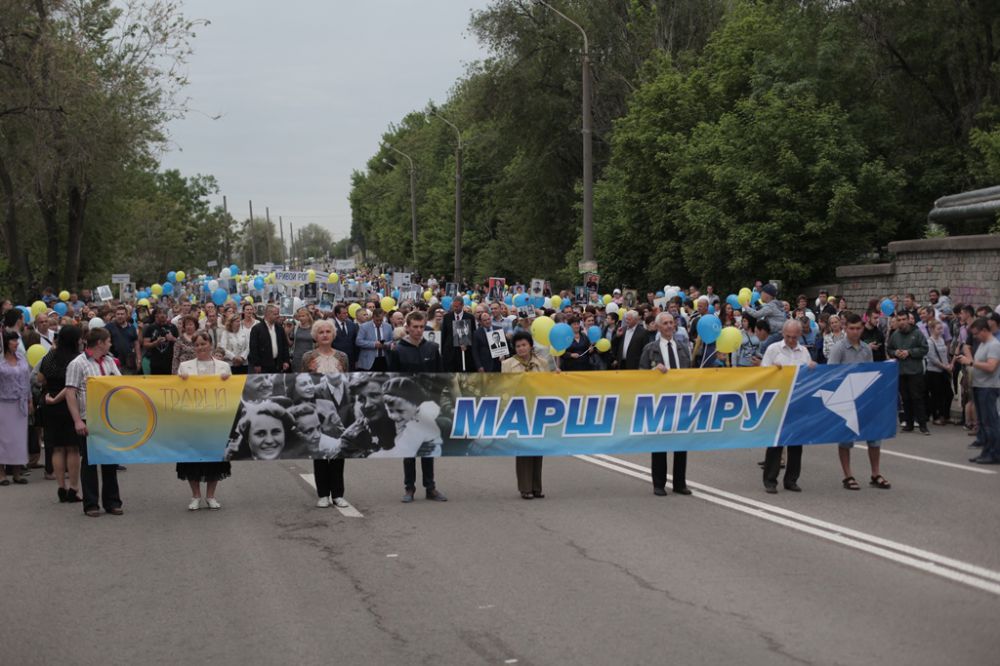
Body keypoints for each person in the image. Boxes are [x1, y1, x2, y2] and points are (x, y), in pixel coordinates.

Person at [387, 311, 447, 502]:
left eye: (422, 327)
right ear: (407, 327)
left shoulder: (432, 348)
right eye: (415, 327)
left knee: (428, 446)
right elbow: (393, 378)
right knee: (410, 449)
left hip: (429, 407)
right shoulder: (397, 349)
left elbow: (440, 377)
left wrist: (437, 400)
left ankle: (430, 487)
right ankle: (409, 488)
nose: (419, 330)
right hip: (408, 408)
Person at [65, 328, 123, 517]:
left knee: (110, 460)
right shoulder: (77, 364)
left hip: (108, 417)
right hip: (87, 417)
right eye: (108, 341)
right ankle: (91, 504)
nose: (110, 344)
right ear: (99, 343)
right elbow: (70, 392)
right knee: (89, 461)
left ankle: (112, 501)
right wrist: (77, 421)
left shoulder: (108, 361)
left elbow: (119, 384)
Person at [828, 313, 890, 490]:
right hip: (845, 398)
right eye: (851, 328)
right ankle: (848, 475)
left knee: (874, 437)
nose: (855, 332)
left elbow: (869, 372)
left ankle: (875, 473)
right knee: (846, 439)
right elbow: (831, 374)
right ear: (845, 328)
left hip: (863, 397)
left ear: (862, 329)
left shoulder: (866, 349)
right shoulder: (838, 348)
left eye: (858, 328)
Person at [176, 331, 232, 510]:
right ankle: (195, 496)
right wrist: (181, 381)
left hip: (215, 420)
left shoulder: (224, 366)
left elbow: (231, 392)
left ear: (211, 345)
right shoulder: (185, 366)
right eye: (197, 345)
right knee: (191, 457)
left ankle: (210, 496)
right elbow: (177, 391)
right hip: (192, 420)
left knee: (214, 458)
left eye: (203, 344)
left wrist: (227, 381)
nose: (200, 347)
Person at [639, 312, 692, 496]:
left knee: (681, 443)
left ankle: (680, 483)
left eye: (672, 323)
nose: (670, 326)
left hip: (680, 401)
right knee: (660, 443)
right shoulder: (650, 349)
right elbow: (641, 374)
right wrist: (653, 371)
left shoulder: (683, 347)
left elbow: (690, 373)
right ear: (658, 327)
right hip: (659, 402)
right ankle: (659, 483)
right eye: (666, 323)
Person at [760, 320, 815, 494]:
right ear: (783, 334)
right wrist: (772, 370)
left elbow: (809, 375)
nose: (791, 340)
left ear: (800, 335)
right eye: (788, 336)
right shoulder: (773, 349)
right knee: (776, 442)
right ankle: (770, 480)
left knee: (796, 444)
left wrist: (812, 367)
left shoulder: (804, 351)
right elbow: (762, 373)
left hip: (797, 402)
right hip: (778, 401)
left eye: (794, 337)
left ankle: (791, 480)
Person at [38, 325, 84, 501]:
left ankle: (60, 487)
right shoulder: (77, 359)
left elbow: (40, 378)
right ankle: (73, 487)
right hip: (70, 405)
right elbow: (72, 384)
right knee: (73, 448)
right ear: (74, 340)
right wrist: (59, 395)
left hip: (51, 404)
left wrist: (52, 391)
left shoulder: (49, 356)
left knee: (57, 448)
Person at [501, 331, 549, 499]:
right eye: (518, 346)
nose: (521, 348)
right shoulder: (507, 364)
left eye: (524, 345)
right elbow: (504, 387)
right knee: (523, 449)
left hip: (538, 408)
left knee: (537, 448)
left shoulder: (542, 363)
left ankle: (537, 487)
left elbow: (548, 384)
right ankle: (525, 488)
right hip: (519, 409)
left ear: (530, 346)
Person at [957, 319, 1000, 464]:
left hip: (989, 388)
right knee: (983, 422)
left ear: (984, 330)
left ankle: (994, 453)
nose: (975, 337)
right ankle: (986, 452)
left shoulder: (994, 345)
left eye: (976, 334)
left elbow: (991, 367)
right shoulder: (983, 343)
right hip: (980, 386)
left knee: (990, 422)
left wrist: (970, 362)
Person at [886, 312, 930, 435]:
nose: (901, 322)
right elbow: (889, 349)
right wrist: (896, 353)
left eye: (904, 319)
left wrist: (909, 352)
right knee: (905, 399)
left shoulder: (917, 333)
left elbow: (924, 349)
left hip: (915, 371)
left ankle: (923, 425)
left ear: (908, 320)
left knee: (917, 398)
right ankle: (909, 424)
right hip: (901, 371)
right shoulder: (895, 335)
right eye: (899, 320)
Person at [0, 329, 31, 485]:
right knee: (3, 439)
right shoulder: (0, 360)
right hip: (3, 403)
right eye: (13, 340)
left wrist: (30, 400)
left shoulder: (21, 358)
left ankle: (17, 472)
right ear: (6, 342)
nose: (16, 343)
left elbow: (27, 380)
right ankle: (2, 474)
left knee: (19, 438)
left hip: (20, 403)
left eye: (17, 340)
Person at [925, 319, 954, 425]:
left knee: (949, 394)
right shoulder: (929, 342)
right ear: (932, 329)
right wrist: (945, 367)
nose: (941, 331)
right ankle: (936, 417)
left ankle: (946, 415)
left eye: (941, 328)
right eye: (939, 328)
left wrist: (949, 364)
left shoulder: (941, 340)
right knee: (935, 395)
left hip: (943, 371)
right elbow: (933, 359)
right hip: (933, 372)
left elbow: (944, 355)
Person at [248, 304, 290, 374]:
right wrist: (257, 364)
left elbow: (284, 346)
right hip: (263, 366)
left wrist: (286, 360)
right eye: (275, 314)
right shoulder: (257, 329)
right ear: (267, 314)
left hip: (277, 365)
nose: (278, 316)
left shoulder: (280, 328)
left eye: (278, 314)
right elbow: (253, 348)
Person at [142, 307, 178, 375]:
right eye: (160, 313)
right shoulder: (150, 328)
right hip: (155, 363)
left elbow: (180, 343)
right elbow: (145, 344)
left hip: (170, 363)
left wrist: (172, 338)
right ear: (156, 315)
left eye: (164, 313)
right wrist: (156, 343)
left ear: (167, 315)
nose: (162, 315)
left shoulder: (173, 327)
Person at [356, 307, 393, 371]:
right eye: (377, 320)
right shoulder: (364, 327)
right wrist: (374, 344)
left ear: (383, 318)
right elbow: (358, 341)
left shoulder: (388, 326)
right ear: (373, 317)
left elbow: (392, 341)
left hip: (384, 359)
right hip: (369, 361)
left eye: (381, 320)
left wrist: (385, 345)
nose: (379, 322)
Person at [106, 305, 140, 374]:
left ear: (126, 315)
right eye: (118, 314)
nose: (120, 316)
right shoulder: (109, 327)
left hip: (129, 362)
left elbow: (136, 343)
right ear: (115, 315)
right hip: (114, 362)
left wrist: (138, 359)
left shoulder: (132, 327)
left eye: (122, 314)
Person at [471, 307, 505, 372]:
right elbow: (475, 351)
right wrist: (479, 366)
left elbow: (505, 345)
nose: (487, 321)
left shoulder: (499, 329)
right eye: (485, 320)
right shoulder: (476, 333)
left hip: (499, 363)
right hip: (485, 365)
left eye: (488, 319)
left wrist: (503, 355)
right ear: (480, 322)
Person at [331, 304, 358, 369]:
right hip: (336, 359)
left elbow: (355, 343)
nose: (347, 315)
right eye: (344, 313)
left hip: (351, 359)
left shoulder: (352, 325)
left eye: (347, 313)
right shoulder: (331, 325)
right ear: (337, 314)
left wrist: (356, 359)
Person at [290, 307, 315, 372]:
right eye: (299, 316)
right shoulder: (296, 328)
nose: (301, 318)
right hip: (297, 358)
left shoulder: (314, 328)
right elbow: (290, 343)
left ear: (308, 316)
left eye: (303, 316)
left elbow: (317, 344)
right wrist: (286, 334)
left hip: (310, 358)